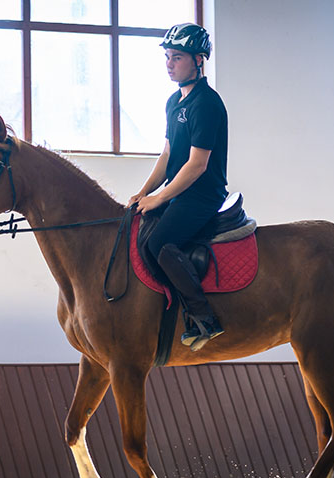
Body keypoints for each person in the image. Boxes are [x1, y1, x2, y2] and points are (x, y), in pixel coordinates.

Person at [128, 23, 229, 352]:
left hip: (202, 195)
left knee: (160, 242)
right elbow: (169, 154)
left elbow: (197, 165)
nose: (169, 64)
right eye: (168, 57)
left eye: (178, 57)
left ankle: (204, 318)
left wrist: (160, 198)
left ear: (199, 60)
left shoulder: (207, 104)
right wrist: (145, 193)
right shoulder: (174, 101)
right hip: (179, 191)